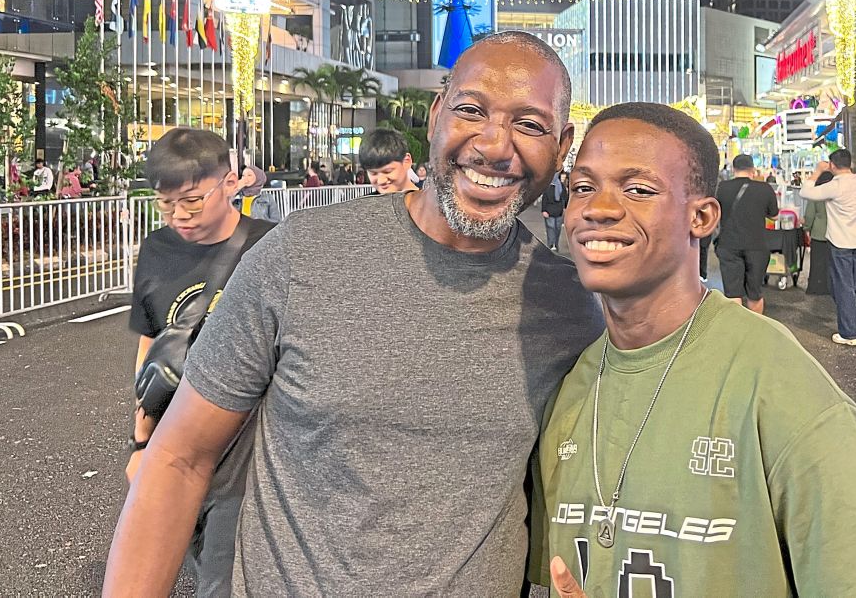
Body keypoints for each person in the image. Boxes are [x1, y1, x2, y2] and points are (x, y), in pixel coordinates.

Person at [104, 32, 603, 597]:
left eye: (530, 125)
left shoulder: (569, 307)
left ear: (562, 149)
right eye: (472, 110)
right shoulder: (301, 256)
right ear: (437, 114)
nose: (494, 145)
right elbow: (179, 458)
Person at [531, 103, 856, 598]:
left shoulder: (778, 385)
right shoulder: (568, 389)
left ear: (701, 216)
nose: (597, 208)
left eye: (638, 189)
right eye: (582, 187)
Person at [126, 129, 277, 596]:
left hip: (246, 438)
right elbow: (152, 347)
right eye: (165, 203)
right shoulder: (156, 248)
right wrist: (140, 443)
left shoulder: (271, 248)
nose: (180, 215)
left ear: (231, 182)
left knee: (222, 571)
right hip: (175, 430)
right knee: (187, 548)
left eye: (192, 199)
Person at [799, 149, 856, 346]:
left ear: (832, 165)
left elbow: (805, 192)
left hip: (840, 243)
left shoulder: (835, 186)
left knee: (843, 288)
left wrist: (817, 171)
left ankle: (849, 333)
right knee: (855, 286)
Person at [713, 154, 779, 315]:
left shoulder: (721, 188)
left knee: (733, 293)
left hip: (729, 245)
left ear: (733, 169)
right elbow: (774, 216)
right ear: (752, 170)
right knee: (755, 293)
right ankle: (754, 331)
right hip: (757, 246)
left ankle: (737, 331)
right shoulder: (764, 188)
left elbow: (713, 213)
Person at [356, 128, 417, 195]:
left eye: (387, 171)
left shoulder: (426, 203)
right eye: (373, 173)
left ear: (406, 161)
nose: (381, 181)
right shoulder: (363, 204)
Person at [802, 170, 833, 296]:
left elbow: (810, 214)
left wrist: (806, 228)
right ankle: (830, 287)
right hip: (836, 233)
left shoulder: (816, 193)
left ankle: (815, 287)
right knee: (832, 263)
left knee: (817, 263)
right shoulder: (836, 192)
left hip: (819, 232)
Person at [540, 168, 569, 251]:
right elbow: (544, 199)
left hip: (559, 211)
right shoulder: (548, 187)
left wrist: (565, 208)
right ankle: (551, 244)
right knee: (551, 227)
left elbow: (565, 198)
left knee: (558, 228)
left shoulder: (561, 186)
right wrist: (544, 210)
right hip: (549, 211)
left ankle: (555, 244)